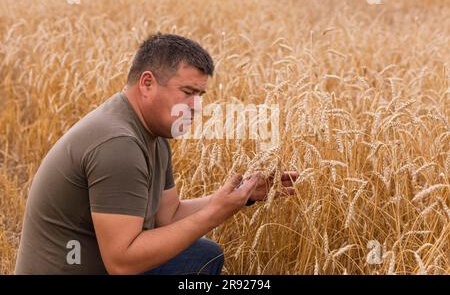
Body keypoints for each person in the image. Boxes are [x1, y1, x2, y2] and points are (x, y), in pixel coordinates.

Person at [15, 33, 298, 275]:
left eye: (201, 95)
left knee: (202, 255)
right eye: (188, 92)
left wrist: (242, 194)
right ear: (147, 83)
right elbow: (122, 262)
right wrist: (214, 213)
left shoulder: (153, 134)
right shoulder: (118, 144)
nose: (197, 106)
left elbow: (169, 215)